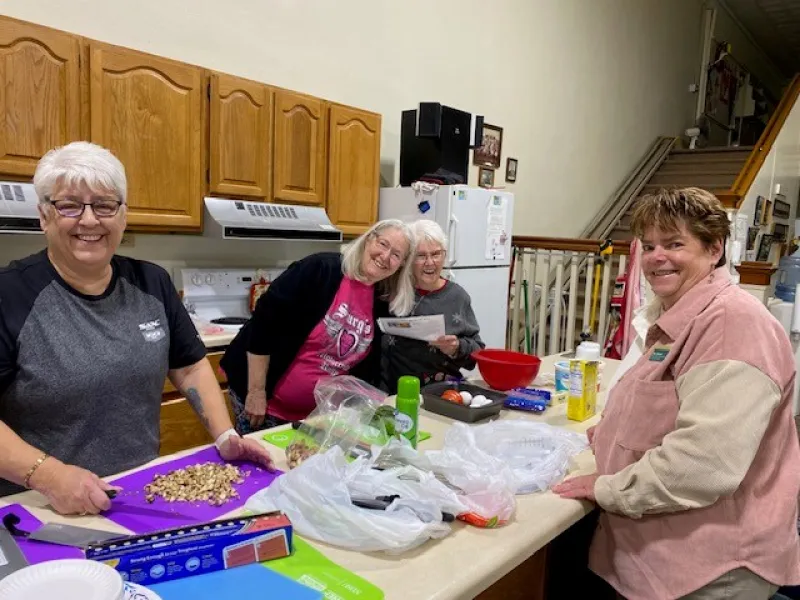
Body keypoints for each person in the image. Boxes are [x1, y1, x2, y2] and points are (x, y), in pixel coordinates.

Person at [0, 142, 273, 515]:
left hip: (137, 491)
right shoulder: (9, 294)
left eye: (104, 205)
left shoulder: (151, 282)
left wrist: (225, 435)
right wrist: (50, 476)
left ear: (123, 216)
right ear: (44, 216)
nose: (90, 220)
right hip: (38, 504)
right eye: (69, 205)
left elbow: (190, 365)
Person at [553, 187, 800, 600]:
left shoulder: (730, 324)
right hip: (659, 552)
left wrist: (607, 489)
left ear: (714, 248)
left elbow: (703, 464)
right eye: (648, 246)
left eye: (674, 244)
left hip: (709, 567)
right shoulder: (680, 315)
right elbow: (668, 405)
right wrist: (616, 432)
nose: (656, 257)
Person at [221, 219, 415, 434]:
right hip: (263, 405)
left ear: (401, 265)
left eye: (396, 255)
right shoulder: (320, 269)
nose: (385, 257)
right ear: (369, 239)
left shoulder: (382, 302)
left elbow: (365, 368)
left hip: (318, 418)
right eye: (383, 244)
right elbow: (263, 324)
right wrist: (256, 392)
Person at [381, 219, 484, 394]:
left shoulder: (457, 297)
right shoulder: (391, 290)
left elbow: (477, 354)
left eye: (436, 254)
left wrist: (456, 347)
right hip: (392, 393)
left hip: (442, 394)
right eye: (421, 256)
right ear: (408, 260)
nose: (430, 262)